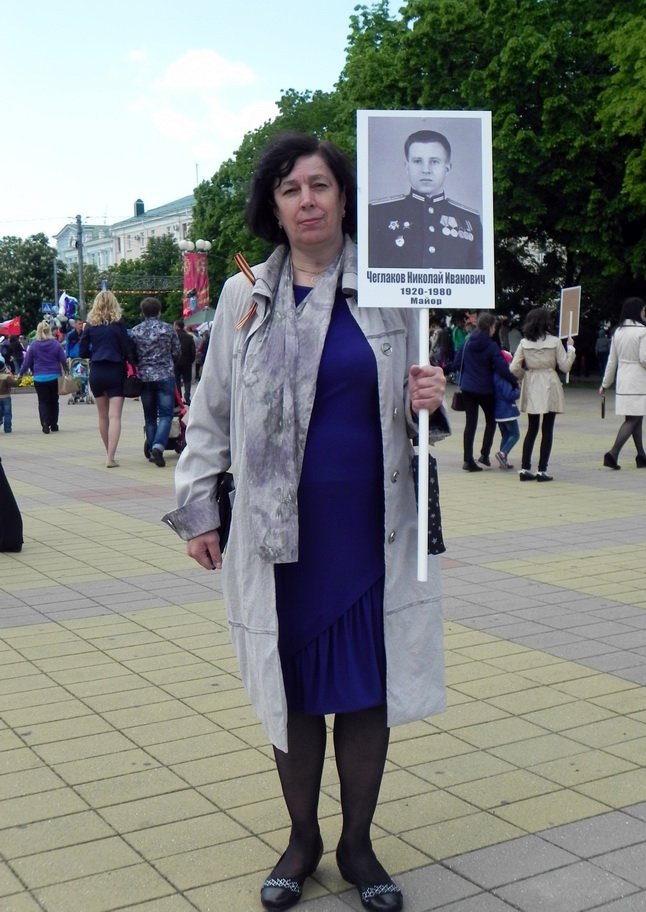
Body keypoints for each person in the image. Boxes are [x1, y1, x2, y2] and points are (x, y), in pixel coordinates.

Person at [161, 132, 449, 912]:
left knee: (365, 693)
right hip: (275, 536)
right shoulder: (244, 295)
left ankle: (357, 845)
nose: (307, 201)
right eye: (290, 189)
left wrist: (431, 397)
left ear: (346, 198)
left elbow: (418, 418)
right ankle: (302, 839)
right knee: (289, 691)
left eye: (320, 185)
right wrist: (199, 510)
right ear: (275, 206)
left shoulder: (393, 287)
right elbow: (211, 413)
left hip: (368, 530)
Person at [368, 129, 483, 269]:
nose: (426, 170)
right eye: (417, 161)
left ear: (447, 168)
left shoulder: (470, 220)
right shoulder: (378, 213)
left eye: (434, 161)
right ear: (407, 167)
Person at [510, 306, 576, 481]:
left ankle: (525, 468)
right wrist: (571, 349)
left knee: (531, 428)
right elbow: (565, 366)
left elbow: (514, 367)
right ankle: (542, 470)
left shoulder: (524, 343)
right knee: (547, 429)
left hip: (532, 380)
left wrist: (525, 376)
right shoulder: (555, 342)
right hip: (550, 381)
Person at [599, 297, 646, 469]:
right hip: (638, 379)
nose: (644, 313)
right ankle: (613, 453)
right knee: (634, 418)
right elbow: (644, 357)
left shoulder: (618, 331)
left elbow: (612, 361)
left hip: (623, 378)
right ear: (637, 311)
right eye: (643, 310)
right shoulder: (643, 330)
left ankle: (641, 456)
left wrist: (605, 384)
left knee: (634, 418)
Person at [453, 312, 518, 472]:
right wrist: (513, 381)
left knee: (470, 424)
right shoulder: (491, 346)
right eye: (494, 327)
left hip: (468, 389)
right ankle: (484, 454)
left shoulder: (467, 342)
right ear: (489, 327)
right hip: (486, 390)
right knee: (490, 421)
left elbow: (456, 363)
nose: (494, 330)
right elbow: (502, 368)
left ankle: (468, 461)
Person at [79, 291, 132, 468]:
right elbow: (126, 348)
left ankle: (108, 453)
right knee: (115, 416)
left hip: (97, 371)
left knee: (102, 416)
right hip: (115, 369)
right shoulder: (119, 323)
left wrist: (96, 353)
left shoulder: (90, 325)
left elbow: (82, 351)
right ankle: (110, 457)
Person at [130, 298, 180, 468]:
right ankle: (159, 446)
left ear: (142, 312)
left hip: (145, 377)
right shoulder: (168, 329)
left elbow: (132, 355)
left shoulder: (135, 331)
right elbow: (176, 351)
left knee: (150, 416)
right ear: (159, 311)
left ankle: (153, 450)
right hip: (165, 375)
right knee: (166, 415)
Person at [19, 321, 67, 433]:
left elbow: (27, 362)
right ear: (49, 331)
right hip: (54, 377)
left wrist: (21, 373)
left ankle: (45, 423)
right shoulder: (56, 344)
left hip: (39, 378)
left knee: (43, 402)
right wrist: (66, 370)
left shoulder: (34, 345)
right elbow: (63, 359)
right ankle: (54, 424)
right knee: (54, 401)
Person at [493, 350, 520, 469]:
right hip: (507, 411)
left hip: (498, 411)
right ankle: (502, 453)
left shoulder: (494, 374)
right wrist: (519, 390)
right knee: (515, 434)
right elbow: (509, 395)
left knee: (505, 434)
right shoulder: (504, 377)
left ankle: (503, 460)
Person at [173, 319, 196, 405]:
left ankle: (179, 397)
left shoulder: (174, 336)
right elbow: (193, 351)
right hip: (187, 361)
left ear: (176, 326)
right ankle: (187, 397)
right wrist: (191, 360)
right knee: (187, 380)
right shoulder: (189, 337)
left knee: (177, 380)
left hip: (176, 361)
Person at [0, 355, 18, 432]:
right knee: (7, 413)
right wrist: (19, 379)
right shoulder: (7, 377)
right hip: (6, 397)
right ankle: (7, 429)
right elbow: (14, 383)